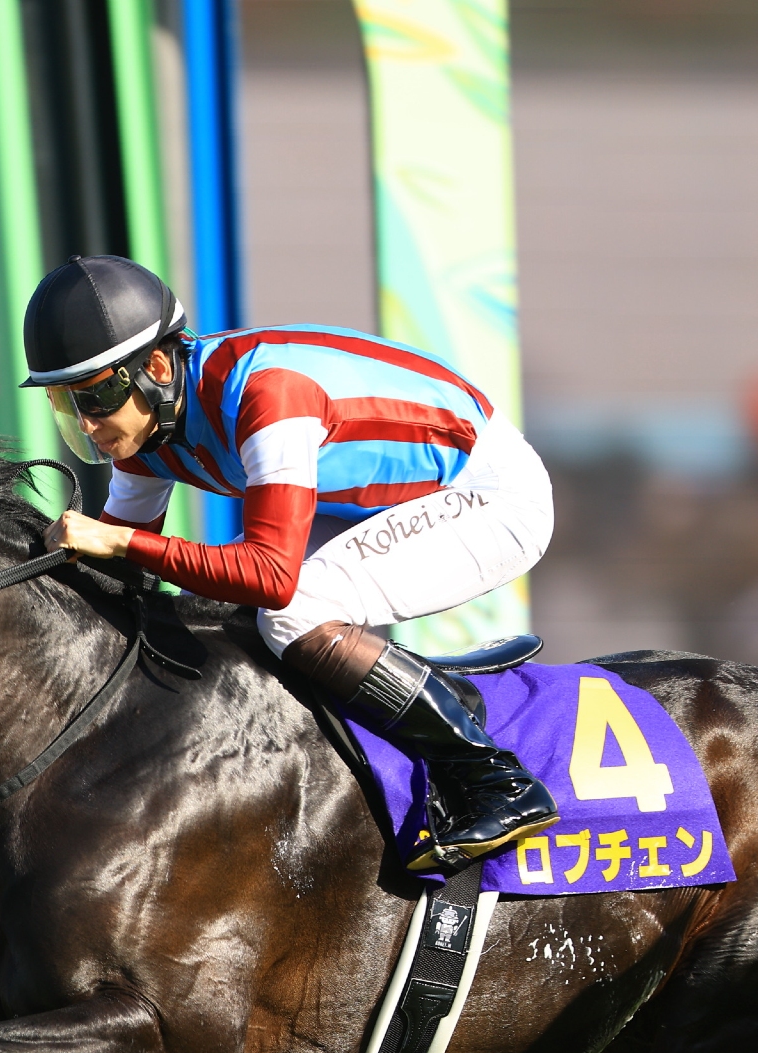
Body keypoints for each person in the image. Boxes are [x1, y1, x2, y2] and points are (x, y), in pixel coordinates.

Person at [32, 255, 558, 872]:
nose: (89, 424)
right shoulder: (149, 432)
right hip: (385, 500)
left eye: (96, 396)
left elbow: (270, 578)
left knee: (292, 612)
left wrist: (118, 544)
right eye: (69, 405)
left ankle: (493, 778)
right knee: (237, 615)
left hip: (489, 494)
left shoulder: (267, 396)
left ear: (154, 368)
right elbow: (114, 577)